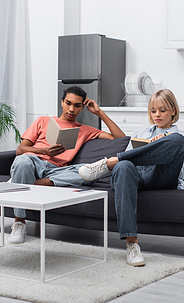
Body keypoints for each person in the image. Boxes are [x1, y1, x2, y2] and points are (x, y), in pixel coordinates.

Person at [78, 89, 184, 267]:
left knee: (175, 141)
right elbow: (126, 165)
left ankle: (108, 163)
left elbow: (182, 170)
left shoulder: (182, 137)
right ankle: (132, 244)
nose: (157, 115)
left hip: (160, 177)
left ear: (173, 111)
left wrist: (158, 150)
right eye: (153, 111)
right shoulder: (140, 133)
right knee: (123, 165)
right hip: (135, 176)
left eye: (162, 110)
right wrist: (144, 151)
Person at [9, 85, 125, 244]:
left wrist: (99, 112)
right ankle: (19, 222)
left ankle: (21, 181)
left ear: (83, 107)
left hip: (57, 172)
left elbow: (121, 139)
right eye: (68, 103)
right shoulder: (43, 121)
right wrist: (45, 151)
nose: (71, 109)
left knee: (85, 170)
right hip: (32, 162)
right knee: (22, 161)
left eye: (77, 105)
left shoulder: (85, 130)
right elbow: (20, 150)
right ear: (62, 102)